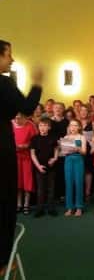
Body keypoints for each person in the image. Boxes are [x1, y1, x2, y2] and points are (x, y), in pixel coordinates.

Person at [0, 39, 42, 273]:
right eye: (8, 55)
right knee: (5, 201)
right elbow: (26, 108)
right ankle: (3, 262)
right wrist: (37, 84)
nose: (12, 59)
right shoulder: (4, 83)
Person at [30, 117, 59, 217]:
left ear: (49, 127)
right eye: (41, 125)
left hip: (51, 167)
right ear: (38, 127)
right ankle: (40, 209)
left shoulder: (53, 137)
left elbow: (56, 149)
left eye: (45, 126)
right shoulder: (34, 138)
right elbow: (32, 154)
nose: (42, 128)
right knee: (40, 189)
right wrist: (38, 166)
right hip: (39, 167)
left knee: (51, 188)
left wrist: (54, 159)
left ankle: (51, 208)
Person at [13, 113, 37, 214]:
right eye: (16, 118)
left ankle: (26, 204)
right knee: (17, 180)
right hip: (14, 156)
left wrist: (26, 145)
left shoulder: (30, 125)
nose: (17, 120)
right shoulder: (10, 124)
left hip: (27, 156)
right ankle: (18, 204)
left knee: (27, 180)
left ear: (25, 117)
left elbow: (35, 141)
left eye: (20, 118)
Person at [63, 119, 87, 217]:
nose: (73, 127)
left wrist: (78, 149)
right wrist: (66, 151)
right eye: (71, 125)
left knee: (79, 183)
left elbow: (84, 152)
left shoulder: (81, 137)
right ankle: (69, 207)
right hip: (68, 160)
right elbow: (62, 153)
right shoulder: (66, 137)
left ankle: (79, 207)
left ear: (79, 127)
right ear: (69, 127)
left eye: (75, 125)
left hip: (78, 160)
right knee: (68, 183)